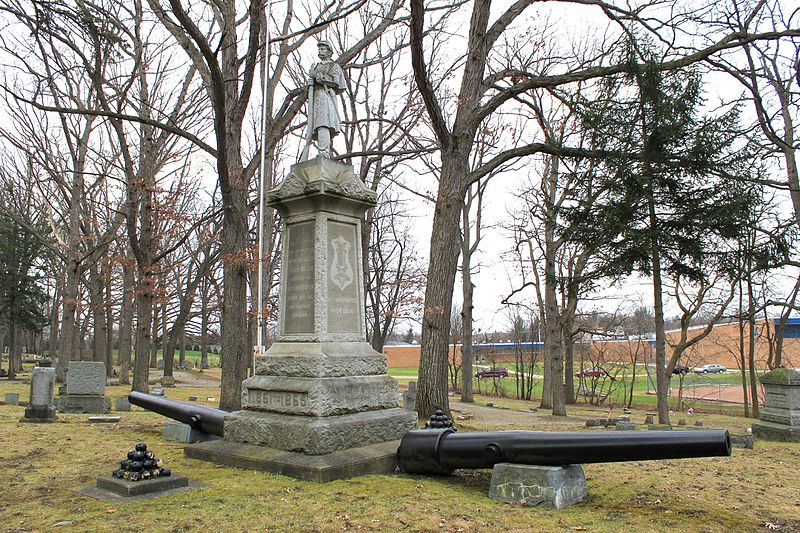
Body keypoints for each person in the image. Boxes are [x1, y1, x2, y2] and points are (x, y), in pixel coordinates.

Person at [304, 40, 346, 158]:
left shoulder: (334, 66)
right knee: (317, 125)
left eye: (323, 49)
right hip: (316, 98)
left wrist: (317, 76)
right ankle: (322, 151)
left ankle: (324, 151)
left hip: (326, 97)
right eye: (319, 49)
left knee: (323, 123)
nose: (320, 51)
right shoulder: (316, 66)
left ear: (329, 52)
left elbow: (336, 81)